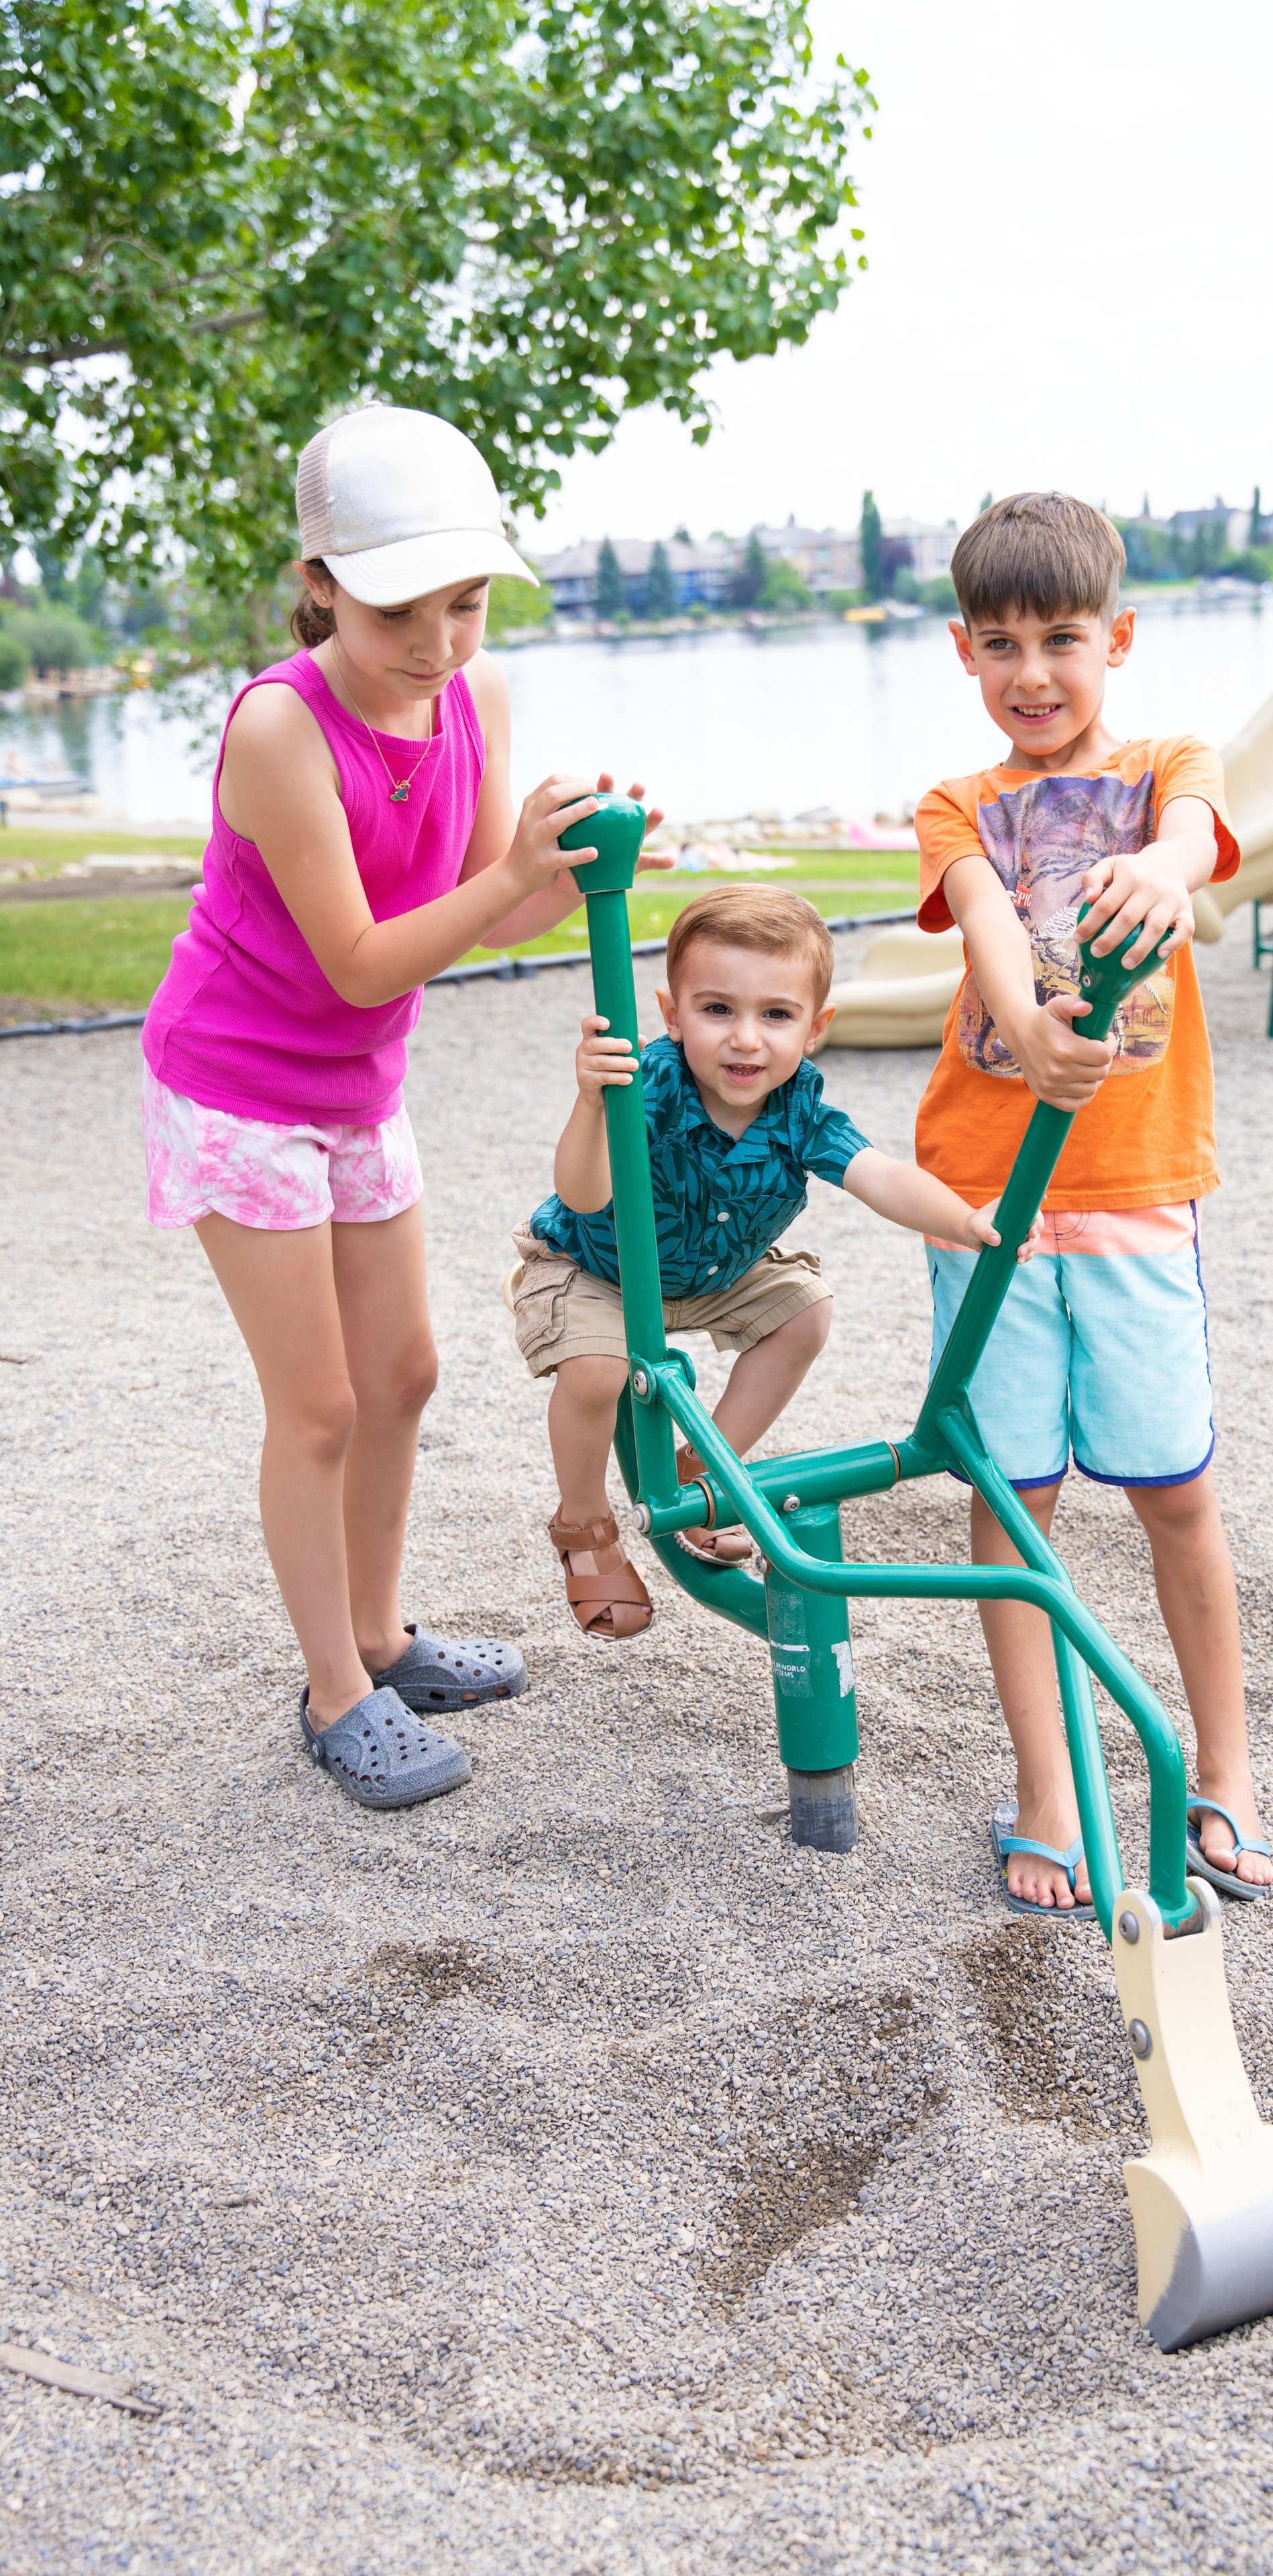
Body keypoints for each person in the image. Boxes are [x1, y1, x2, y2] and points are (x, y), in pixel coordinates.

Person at [140, 402, 667, 1811]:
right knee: (315, 1404)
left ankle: (383, 1638)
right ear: (320, 584)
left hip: (356, 1084)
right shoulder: (276, 730)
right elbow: (364, 951)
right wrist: (505, 885)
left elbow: (486, 913)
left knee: (406, 1375)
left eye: (466, 603)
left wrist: (576, 860)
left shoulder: (474, 698)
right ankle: (333, 1694)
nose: (439, 643)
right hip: (239, 1091)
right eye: (399, 614)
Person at [914, 490, 1273, 1913]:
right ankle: (1047, 1785)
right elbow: (990, 928)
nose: (1032, 673)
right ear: (964, 652)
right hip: (985, 1197)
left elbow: (1193, 834)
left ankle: (1225, 1767)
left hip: (1133, 1192)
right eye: (998, 644)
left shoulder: (1166, 771)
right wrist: (1032, 1025)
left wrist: (1158, 871)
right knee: (1014, 1499)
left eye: (1060, 638)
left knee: (1173, 1488)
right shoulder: (959, 807)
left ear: (1113, 637)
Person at [509, 883, 1026, 1638]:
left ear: (815, 1028)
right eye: (718, 1010)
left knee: (804, 1312)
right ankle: (584, 1524)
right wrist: (591, 1103)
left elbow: (878, 1175)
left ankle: (702, 1469)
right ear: (672, 1014)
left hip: (715, 1274)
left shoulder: (799, 1113)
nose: (746, 1039)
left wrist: (966, 1219)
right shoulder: (643, 1085)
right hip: (596, 1265)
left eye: (775, 1015)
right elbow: (583, 1196)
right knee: (598, 1373)